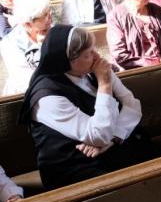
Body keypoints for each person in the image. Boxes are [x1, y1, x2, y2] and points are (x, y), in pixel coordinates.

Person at [18, 25, 144, 190]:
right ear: (68, 60)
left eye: (94, 49)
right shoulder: (47, 97)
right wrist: (104, 84)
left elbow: (133, 104)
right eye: (88, 54)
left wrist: (114, 137)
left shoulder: (93, 68)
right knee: (128, 186)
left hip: (108, 150)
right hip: (72, 166)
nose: (97, 56)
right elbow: (99, 135)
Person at [0, 0, 52, 95]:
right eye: (45, 16)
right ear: (27, 24)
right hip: (28, 94)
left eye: (49, 12)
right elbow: (29, 80)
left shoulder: (53, 30)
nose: (50, 19)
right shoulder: (9, 45)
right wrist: (42, 48)